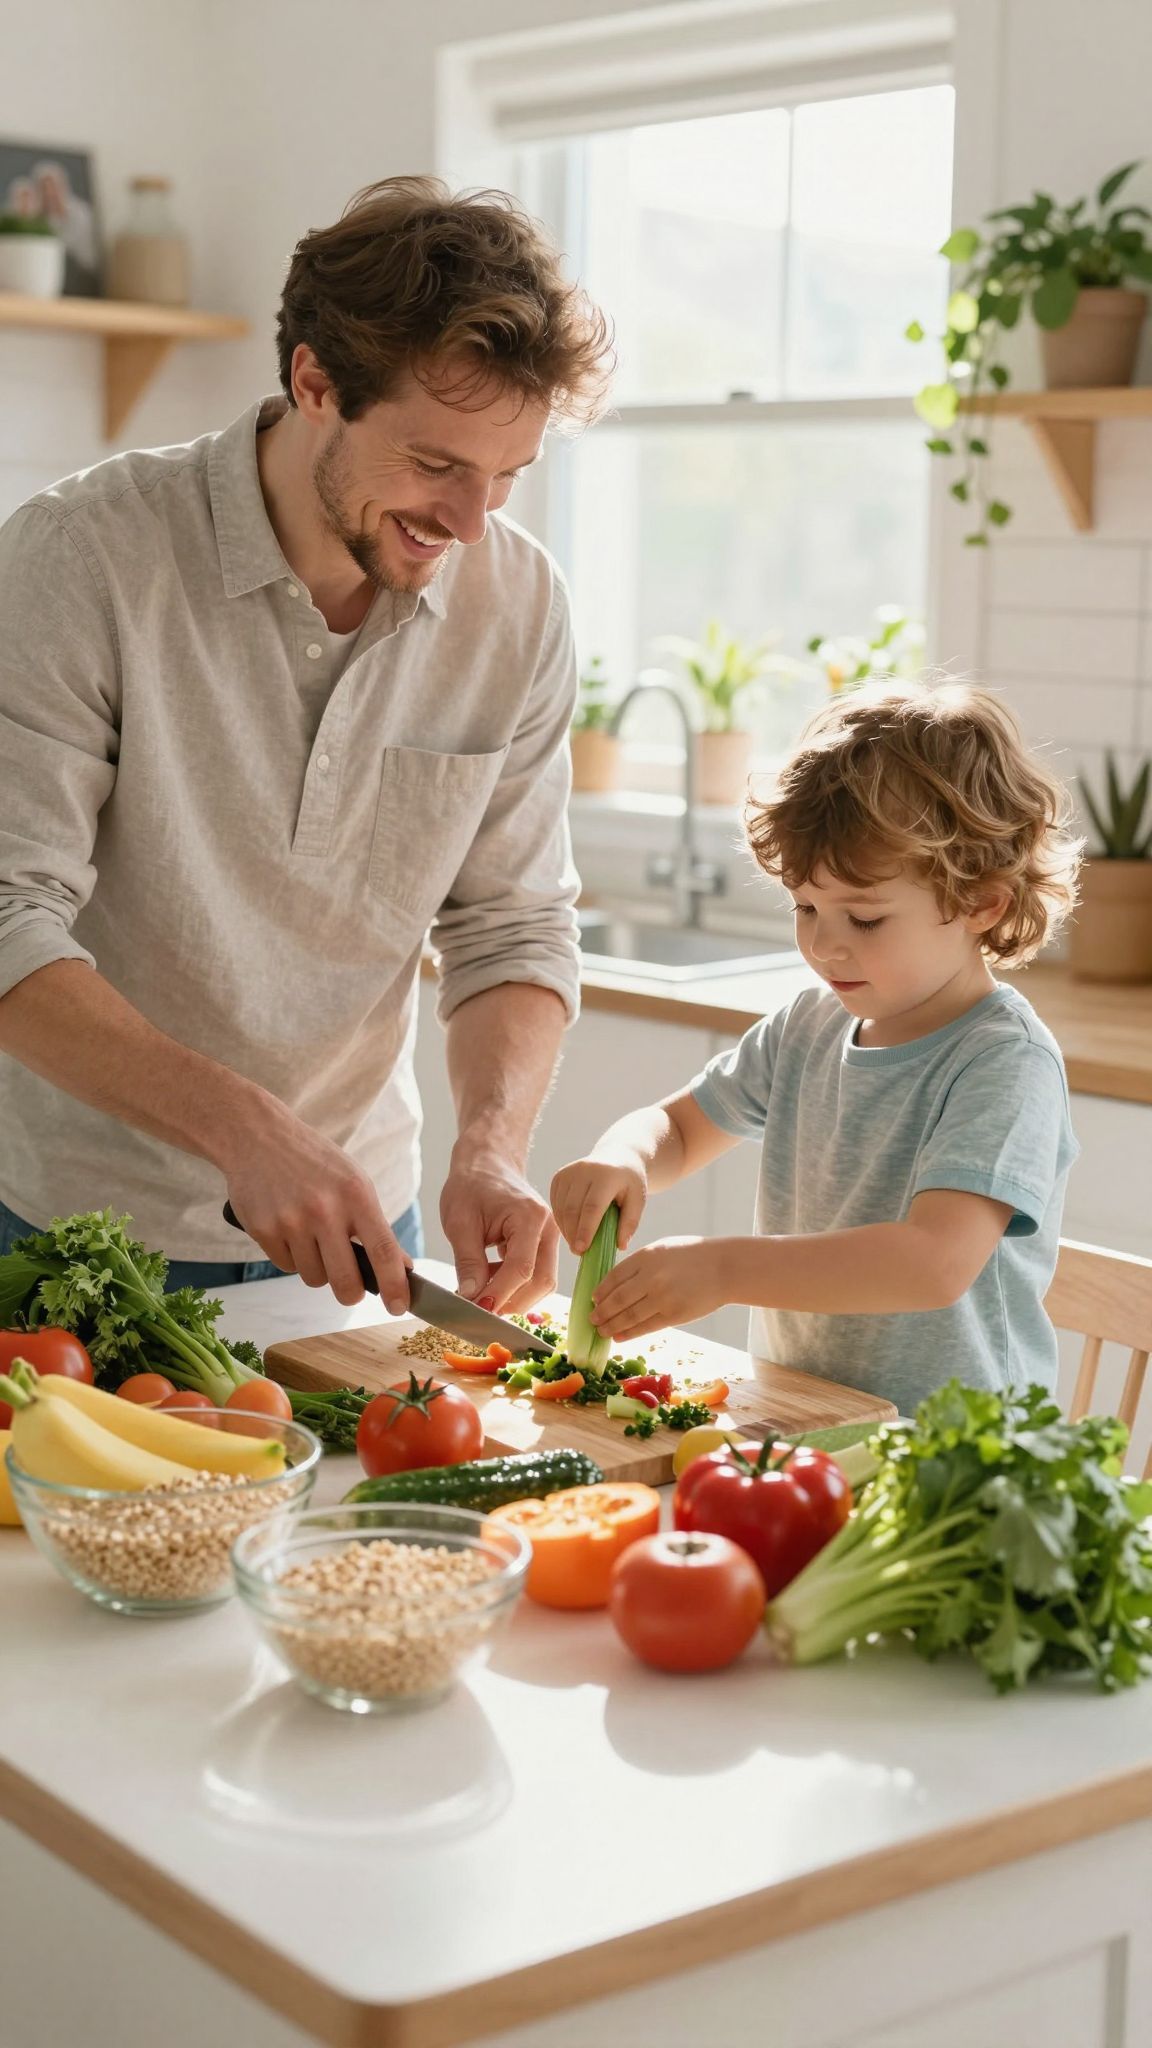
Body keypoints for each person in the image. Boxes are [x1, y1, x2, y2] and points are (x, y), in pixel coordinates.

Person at [0, 176, 613, 1312]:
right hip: (74, 1235)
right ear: (314, 383)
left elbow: (512, 922)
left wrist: (490, 1145)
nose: (472, 523)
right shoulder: (81, 558)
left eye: (509, 477)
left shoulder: (519, 602)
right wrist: (242, 1126)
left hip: (365, 1235)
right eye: (437, 465)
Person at [550, 683, 1082, 1413]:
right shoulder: (808, 1026)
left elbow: (933, 1262)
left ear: (981, 904)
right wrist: (623, 1156)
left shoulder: (1002, 1061)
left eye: (864, 919)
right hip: (803, 1418)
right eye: (805, 907)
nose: (824, 945)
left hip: (944, 1458)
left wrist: (725, 1267)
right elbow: (677, 1128)